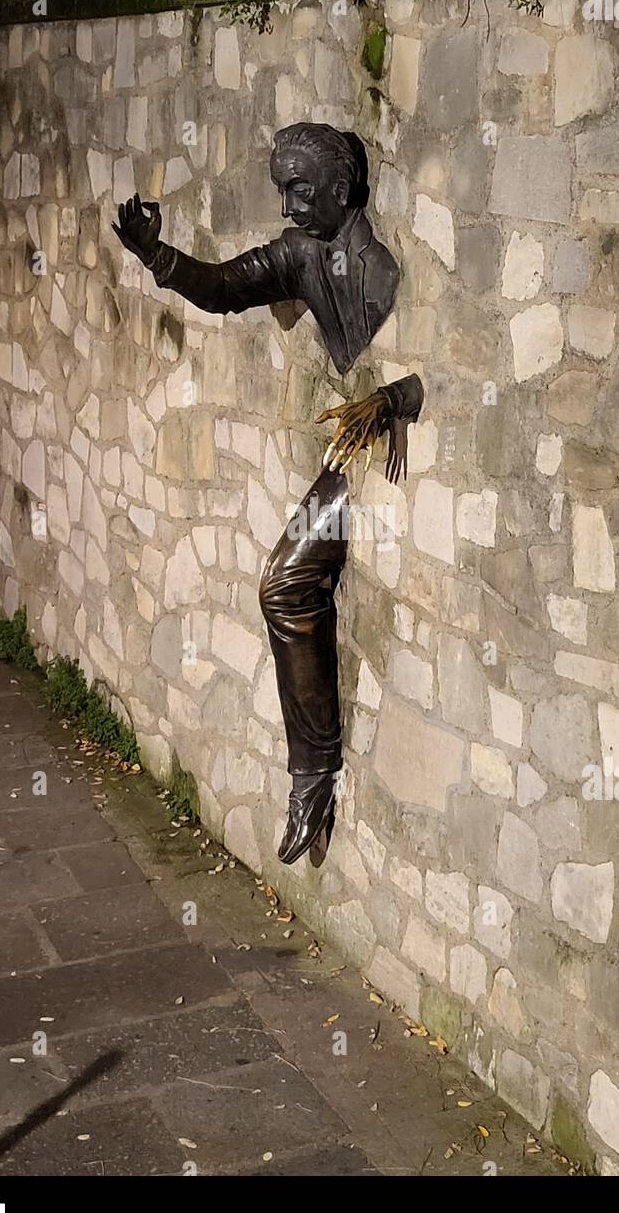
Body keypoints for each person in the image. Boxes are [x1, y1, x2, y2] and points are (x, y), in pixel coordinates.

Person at [114, 121, 424, 865]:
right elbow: (224, 287)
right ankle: (310, 775)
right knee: (283, 585)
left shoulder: (383, 270)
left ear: (342, 191)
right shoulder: (300, 255)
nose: (287, 206)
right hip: (350, 454)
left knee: (285, 584)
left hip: (378, 456)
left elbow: (442, 369)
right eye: (281, 189)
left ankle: (312, 773)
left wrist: (393, 396)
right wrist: (155, 254)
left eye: (299, 189)